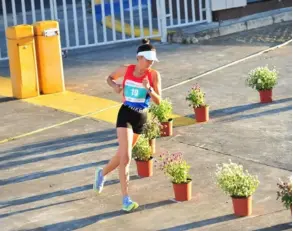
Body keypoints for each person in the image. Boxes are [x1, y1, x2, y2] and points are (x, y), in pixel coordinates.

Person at [93, 38, 162, 212]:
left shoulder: (154, 75)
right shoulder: (127, 69)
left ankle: (101, 173)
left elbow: (159, 101)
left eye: (152, 60)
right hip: (125, 114)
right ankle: (126, 199)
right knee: (126, 158)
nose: (150, 63)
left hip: (141, 118)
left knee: (120, 156)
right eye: (148, 59)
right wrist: (115, 86)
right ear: (139, 58)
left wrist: (150, 89)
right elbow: (109, 78)